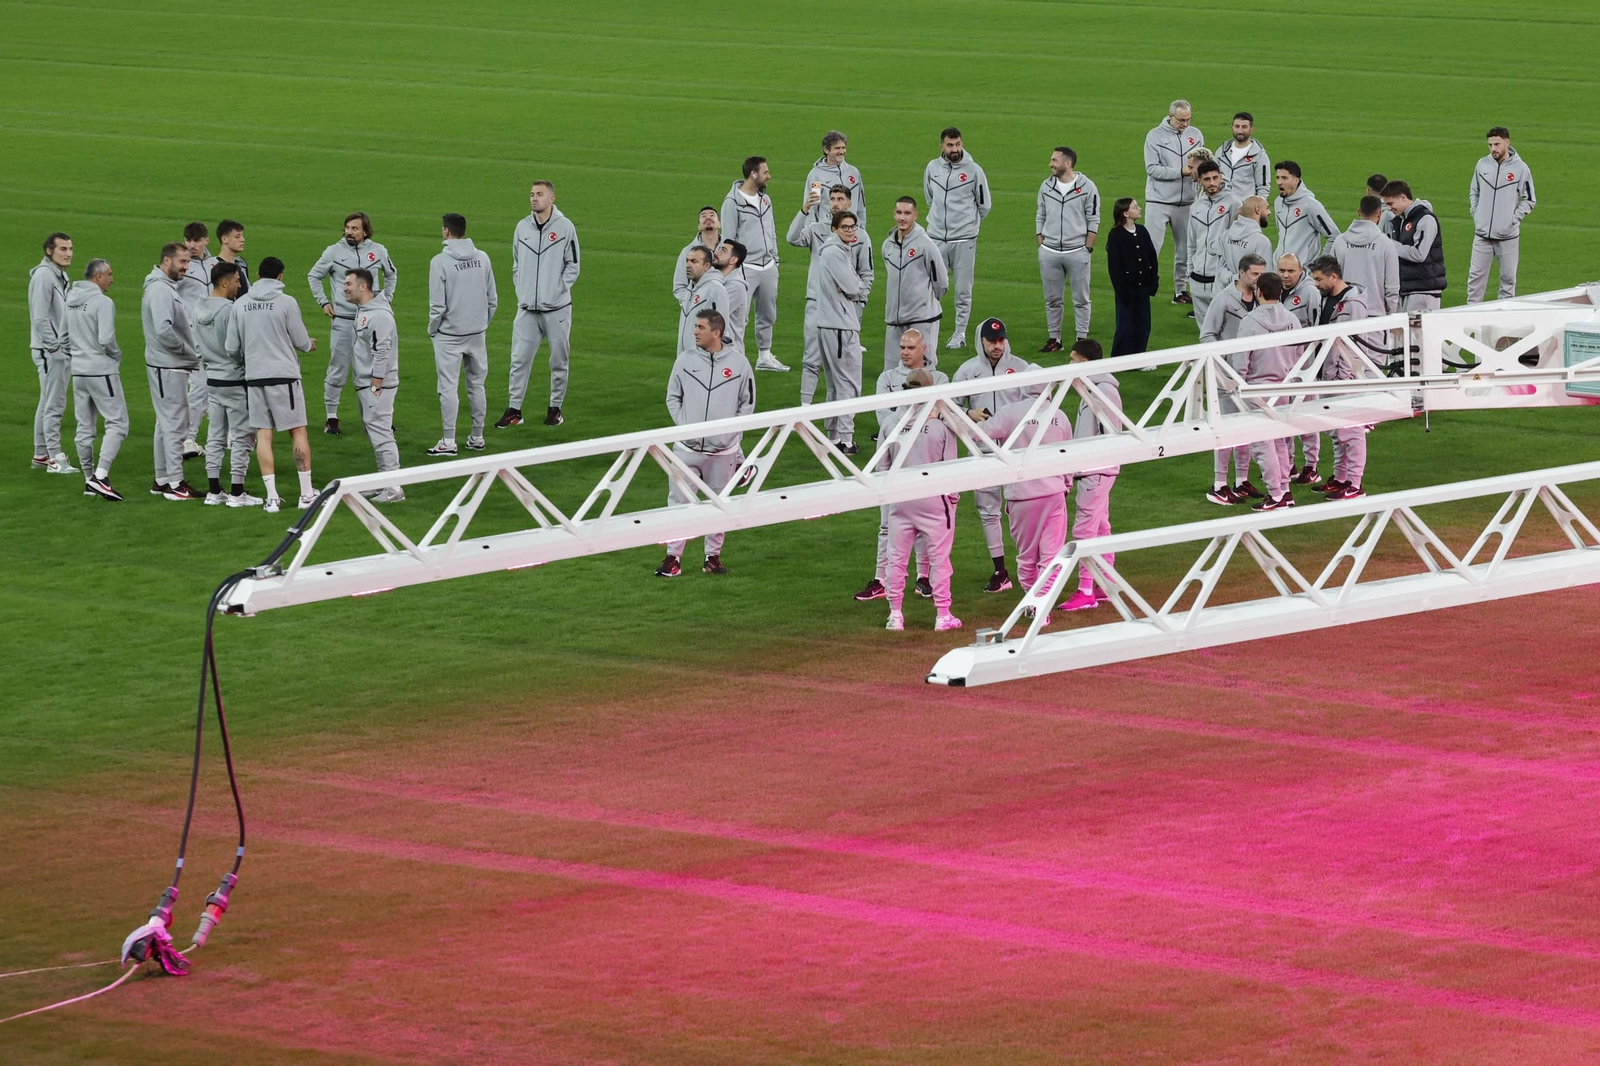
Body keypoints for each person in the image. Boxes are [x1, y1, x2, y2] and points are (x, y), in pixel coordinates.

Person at [657, 309, 756, 577]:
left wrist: (729, 435)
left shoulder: (739, 364)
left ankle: (712, 557)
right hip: (686, 449)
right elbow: (672, 397)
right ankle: (672, 558)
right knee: (678, 504)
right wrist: (686, 427)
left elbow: (747, 405)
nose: (695, 332)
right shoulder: (685, 360)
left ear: (717, 332)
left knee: (718, 504)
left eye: (700, 327)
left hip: (722, 452)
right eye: (695, 327)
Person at [855, 328, 948, 602]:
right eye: (903, 348)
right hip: (896, 458)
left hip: (926, 458)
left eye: (911, 347)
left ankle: (923, 577)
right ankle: (880, 578)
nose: (905, 352)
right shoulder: (887, 378)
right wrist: (913, 419)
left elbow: (943, 415)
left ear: (924, 349)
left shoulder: (940, 378)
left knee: (924, 525)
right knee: (887, 524)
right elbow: (884, 418)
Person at [227, 256, 318, 515]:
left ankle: (272, 499)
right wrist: (309, 344)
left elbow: (231, 348)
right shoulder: (286, 302)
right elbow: (301, 341)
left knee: (263, 436)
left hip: (254, 378)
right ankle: (306, 494)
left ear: (256, 274)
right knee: (297, 432)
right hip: (284, 377)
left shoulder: (241, 304)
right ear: (280, 276)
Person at [953, 316, 1034, 592]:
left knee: (1021, 508)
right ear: (981, 340)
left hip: (1017, 450)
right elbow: (948, 408)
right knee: (988, 511)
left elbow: (1037, 404)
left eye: (1001, 340)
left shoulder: (1021, 367)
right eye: (992, 341)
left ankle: (1030, 564)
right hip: (982, 451)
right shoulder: (966, 371)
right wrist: (967, 413)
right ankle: (1000, 571)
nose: (997, 346)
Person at [974, 384, 1073, 600]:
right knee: (1052, 556)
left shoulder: (1010, 412)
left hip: (1022, 498)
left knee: (1027, 557)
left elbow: (977, 436)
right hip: (1054, 495)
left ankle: (1033, 602)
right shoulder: (1060, 415)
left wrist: (969, 416)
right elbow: (1069, 455)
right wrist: (1066, 484)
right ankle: (1042, 604)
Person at [882, 369, 962, 633]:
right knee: (940, 559)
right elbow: (951, 467)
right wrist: (953, 500)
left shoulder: (890, 423)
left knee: (896, 560)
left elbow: (882, 467)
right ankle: (942, 614)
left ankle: (895, 615)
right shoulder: (941, 425)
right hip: (933, 500)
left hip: (901, 500)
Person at [308, 212, 397, 435]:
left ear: (365, 231)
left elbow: (391, 274)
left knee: (373, 368)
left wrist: (386, 299)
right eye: (347, 228)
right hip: (344, 320)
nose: (349, 232)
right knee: (338, 369)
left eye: (355, 228)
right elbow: (313, 276)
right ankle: (331, 417)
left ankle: (377, 415)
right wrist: (323, 302)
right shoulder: (333, 252)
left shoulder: (378, 251)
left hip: (371, 321)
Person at [501, 180, 579, 428]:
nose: (534, 199)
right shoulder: (521, 227)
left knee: (558, 361)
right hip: (526, 310)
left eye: (540, 194)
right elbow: (515, 263)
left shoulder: (565, 228)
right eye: (532, 194)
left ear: (552, 199)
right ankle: (514, 411)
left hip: (556, 309)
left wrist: (557, 291)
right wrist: (521, 289)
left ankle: (555, 409)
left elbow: (573, 265)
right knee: (518, 361)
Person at [1058, 337, 1122, 611]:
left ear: (1084, 362)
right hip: (1096, 471)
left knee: (1084, 531)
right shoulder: (1095, 387)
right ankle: (1106, 583)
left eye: (1072, 360)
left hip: (1096, 472)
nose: (1069, 365)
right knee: (1100, 528)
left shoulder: (1103, 390)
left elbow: (1111, 433)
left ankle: (1085, 590)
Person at [426, 213, 497, 457]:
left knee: (448, 387)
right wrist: (480, 323)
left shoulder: (440, 262)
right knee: (477, 385)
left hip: (449, 335)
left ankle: (448, 440)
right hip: (477, 333)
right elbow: (492, 300)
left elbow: (437, 306)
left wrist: (433, 329)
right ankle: (477, 437)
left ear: (446, 231)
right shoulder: (483, 258)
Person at [1308, 255, 1378, 500]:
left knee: (1352, 432)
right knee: (1336, 431)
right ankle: (1340, 478)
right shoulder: (1328, 299)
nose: (1315, 284)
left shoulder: (1353, 304)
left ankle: (1355, 484)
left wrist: (1343, 376)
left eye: (1319, 279)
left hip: (1343, 377)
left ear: (1334, 277)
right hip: (1328, 374)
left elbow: (1353, 343)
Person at [1200, 253, 1267, 505]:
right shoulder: (1224, 300)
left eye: (1261, 274)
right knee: (1225, 430)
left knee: (1245, 428)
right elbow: (1206, 335)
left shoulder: (1261, 300)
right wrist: (1227, 360)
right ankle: (1219, 485)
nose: (1258, 279)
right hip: (1225, 376)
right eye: (1254, 274)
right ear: (1241, 273)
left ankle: (1241, 481)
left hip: (1251, 374)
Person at [192, 262, 260, 506]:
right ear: (224, 282)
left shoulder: (197, 307)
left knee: (215, 436)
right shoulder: (231, 310)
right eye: (236, 281)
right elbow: (237, 347)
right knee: (243, 436)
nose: (239, 285)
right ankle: (237, 492)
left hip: (212, 380)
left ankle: (213, 491)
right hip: (234, 379)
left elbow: (196, 347)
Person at [788, 183, 863, 403]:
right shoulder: (817, 229)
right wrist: (804, 211)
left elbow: (865, 271)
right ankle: (804, 409)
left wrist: (860, 299)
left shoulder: (858, 235)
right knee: (811, 358)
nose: (836, 203)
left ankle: (839, 417)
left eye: (841, 199)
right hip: (816, 301)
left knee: (841, 366)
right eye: (833, 199)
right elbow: (792, 238)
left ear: (849, 203)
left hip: (845, 306)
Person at [1237, 272, 1304, 511]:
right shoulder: (1293, 320)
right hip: (1284, 387)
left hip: (1258, 390)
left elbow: (1240, 361)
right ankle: (1285, 491)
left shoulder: (1250, 322)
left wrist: (1239, 387)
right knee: (1281, 443)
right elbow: (1300, 355)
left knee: (1262, 445)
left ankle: (1275, 496)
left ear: (1259, 292)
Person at [65, 258, 128, 501]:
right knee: (118, 424)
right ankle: (100, 477)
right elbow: (106, 339)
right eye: (109, 274)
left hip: (78, 372)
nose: (112, 279)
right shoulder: (103, 302)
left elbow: (62, 336)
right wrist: (115, 355)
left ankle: (88, 480)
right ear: (98, 277)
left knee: (84, 427)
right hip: (101, 371)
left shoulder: (70, 300)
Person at [142, 242, 201, 501]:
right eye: (182, 262)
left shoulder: (163, 287)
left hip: (166, 365)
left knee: (165, 423)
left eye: (187, 263)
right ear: (167, 261)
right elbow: (163, 330)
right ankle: (176, 483)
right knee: (175, 424)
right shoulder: (160, 290)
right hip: (168, 366)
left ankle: (162, 479)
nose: (186, 268)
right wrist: (188, 353)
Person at [924, 127, 992, 349]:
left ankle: (959, 334)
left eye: (958, 144)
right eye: (950, 145)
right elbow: (929, 197)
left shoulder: (974, 171)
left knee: (963, 290)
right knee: (933, 286)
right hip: (935, 237)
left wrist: (968, 226)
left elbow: (984, 205)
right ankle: (927, 329)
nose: (955, 149)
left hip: (964, 240)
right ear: (941, 146)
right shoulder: (932, 168)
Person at [721, 157, 787, 372]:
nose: (769, 176)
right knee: (739, 316)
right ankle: (734, 358)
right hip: (745, 268)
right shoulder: (731, 203)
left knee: (768, 313)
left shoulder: (765, 200)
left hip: (767, 266)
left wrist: (774, 259)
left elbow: (772, 230)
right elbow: (728, 240)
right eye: (766, 172)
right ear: (754, 174)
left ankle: (764, 357)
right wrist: (734, 269)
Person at [814, 210, 872, 452]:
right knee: (849, 384)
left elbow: (848, 286)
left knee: (835, 384)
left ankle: (834, 436)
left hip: (830, 324)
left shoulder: (836, 250)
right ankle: (846, 440)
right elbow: (853, 287)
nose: (850, 230)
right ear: (834, 229)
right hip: (840, 325)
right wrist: (856, 286)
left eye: (853, 226)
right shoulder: (835, 253)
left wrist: (850, 286)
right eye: (845, 227)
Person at [1035, 146, 1100, 352]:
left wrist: (1087, 247)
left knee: (1081, 299)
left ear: (1067, 163)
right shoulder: (1046, 186)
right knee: (1052, 299)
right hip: (1050, 251)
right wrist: (1041, 241)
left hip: (1077, 251)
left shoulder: (1088, 187)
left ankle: (1082, 339)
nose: (1050, 164)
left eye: (1054, 160)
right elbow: (1040, 214)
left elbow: (1093, 217)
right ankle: (1055, 339)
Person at [347, 269, 403, 501]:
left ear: (363, 286)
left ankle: (394, 488)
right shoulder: (365, 311)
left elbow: (382, 351)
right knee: (376, 433)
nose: (344, 287)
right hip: (367, 383)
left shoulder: (379, 316)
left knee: (382, 433)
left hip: (377, 385)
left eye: (348, 283)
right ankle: (384, 481)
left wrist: (376, 384)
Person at [1143, 100, 1206, 307]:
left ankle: (1180, 291)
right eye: (1181, 120)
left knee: (1185, 250)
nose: (1185, 124)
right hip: (1158, 201)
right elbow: (1152, 168)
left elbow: (1201, 162)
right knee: (1151, 249)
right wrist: (1180, 172)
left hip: (1187, 201)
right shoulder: (1154, 136)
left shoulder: (1195, 135)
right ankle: (1143, 288)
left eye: (1188, 119)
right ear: (1170, 116)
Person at [1468, 127, 1536, 303]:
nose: (1493, 149)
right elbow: (1474, 192)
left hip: (1508, 237)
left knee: (1508, 281)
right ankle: (1470, 321)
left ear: (1507, 142)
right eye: (1490, 145)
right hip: (1482, 235)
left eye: (1497, 144)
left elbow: (1529, 199)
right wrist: (1477, 215)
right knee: (1475, 281)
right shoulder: (1482, 164)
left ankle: (1503, 322)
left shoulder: (1521, 169)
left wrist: (1512, 220)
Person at [880, 196, 948, 370]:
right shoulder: (887, 245)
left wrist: (925, 304)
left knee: (924, 371)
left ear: (915, 215)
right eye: (899, 213)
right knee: (891, 371)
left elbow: (941, 281)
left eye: (907, 213)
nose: (902, 217)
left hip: (922, 319)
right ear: (894, 214)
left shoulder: (926, 245)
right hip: (894, 321)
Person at [29, 232, 74, 474]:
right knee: (53, 404)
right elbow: (40, 317)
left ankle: (41, 454)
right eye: (63, 249)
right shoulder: (45, 276)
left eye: (70, 249)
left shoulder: (59, 275)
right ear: (49, 251)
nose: (68, 254)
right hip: (50, 351)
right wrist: (55, 347)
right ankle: (54, 458)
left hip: (55, 349)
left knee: (48, 401)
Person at [1276, 253, 1323, 484]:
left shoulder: (1310, 293)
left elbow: (1316, 330)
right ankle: (1289, 463)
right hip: (1281, 365)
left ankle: (1311, 466)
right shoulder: (1273, 290)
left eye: (1290, 271)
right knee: (1284, 415)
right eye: (1282, 270)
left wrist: (1311, 363)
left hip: (1304, 366)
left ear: (1300, 270)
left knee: (1306, 415)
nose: (1285, 275)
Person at [1185, 159, 1239, 326]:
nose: (1212, 183)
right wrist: (1190, 271)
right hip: (1197, 278)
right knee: (1204, 331)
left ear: (1221, 177)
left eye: (1215, 178)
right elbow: (1191, 242)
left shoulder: (1233, 203)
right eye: (1207, 179)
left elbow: (1236, 241)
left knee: (1224, 328)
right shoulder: (1196, 207)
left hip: (1220, 277)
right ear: (1199, 180)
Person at [1105, 197, 1159, 356]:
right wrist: (1121, 290)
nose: (1139, 208)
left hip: (1143, 286)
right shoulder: (1116, 235)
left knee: (1143, 324)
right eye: (1135, 207)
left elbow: (1151, 256)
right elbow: (1115, 266)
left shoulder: (1142, 230)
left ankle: (1139, 355)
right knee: (1125, 324)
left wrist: (1153, 280)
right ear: (1126, 213)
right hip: (1127, 288)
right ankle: (1119, 357)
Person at [1381, 180, 1446, 312]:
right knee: (1404, 332)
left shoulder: (1425, 219)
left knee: (1420, 333)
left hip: (1424, 291)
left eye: (1391, 203)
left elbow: (1419, 254)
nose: (1389, 208)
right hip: (1408, 288)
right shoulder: (1401, 220)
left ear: (1403, 198)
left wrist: (1390, 245)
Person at [1330, 196, 1400, 314]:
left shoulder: (1340, 241)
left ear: (1359, 211)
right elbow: (1392, 287)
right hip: (1374, 316)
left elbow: (1330, 278)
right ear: (1379, 214)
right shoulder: (1386, 244)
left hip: (1344, 314)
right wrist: (1390, 315)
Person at [177, 221, 212, 457]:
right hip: (192, 337)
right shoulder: (181, 267)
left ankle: (221, 435)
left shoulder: (215, 263)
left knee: (216, 386)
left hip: (216, 337)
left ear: (206, 241)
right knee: (199, 386)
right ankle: (186, 439)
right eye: (188, 240)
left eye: (197, 240)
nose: (192, 245)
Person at [1272, 162, 1337, 267]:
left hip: (1303, 274)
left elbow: (1334, 237)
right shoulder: (1278, 202)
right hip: (1279, 271)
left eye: (1284, 178)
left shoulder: (1310, 205)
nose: (1279, 182)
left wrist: (1317, 266)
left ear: (1295, 181)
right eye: (1277, 177)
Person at [802, 130, 865, 229]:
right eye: (837, 148)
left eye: (843, 148)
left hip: (851, 231)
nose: (841, 151)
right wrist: (813, 234)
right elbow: (812, 208)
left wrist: (861, 229)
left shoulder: (854, 173)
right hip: (827, 233)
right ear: (826, 150)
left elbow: (861, 206)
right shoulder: (816, 177)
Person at [676, 246, 730, 354]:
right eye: (687, 261)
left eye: (694, 261)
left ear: (706, 266)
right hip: (685, 358)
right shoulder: (690, 288)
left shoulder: (715, 290)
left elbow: (721, 330)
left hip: (704, 360)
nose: (688, 265)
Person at [672, 206, 721, 312]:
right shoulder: (687, 252)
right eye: (704, 216)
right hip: (697, 311)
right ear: (699, 226)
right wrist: (690, 305)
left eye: (712, 215)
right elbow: (679, 285)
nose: (708, 218)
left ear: (719, 224)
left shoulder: (728, 250)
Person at [1216, 196, 1273, 286]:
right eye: (1267, 208)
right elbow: (1264, 279)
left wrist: (1233, 279)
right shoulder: (1261, 242)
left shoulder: (1225, 236)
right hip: (1249, 296)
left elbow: (1221, 271)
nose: (1269, 212)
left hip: (1228, 292)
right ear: (1257, 210)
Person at [1217, 112, 1271, 200]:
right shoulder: (1222, 152)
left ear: (1251, 129)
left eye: (1244, 127)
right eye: (1237, 126)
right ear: (1232, 128)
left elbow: (1263, 188)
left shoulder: (1259, 156)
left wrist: (1256, 208)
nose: (1240, 131)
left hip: (1245, 209)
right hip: (1221, 208)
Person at [714, 239, 750, 353]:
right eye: (718, 249)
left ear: (733, 260)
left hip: (730, 352)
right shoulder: (719, 280)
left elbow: (712, 312)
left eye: (723, 251)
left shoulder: (736, 286)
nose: (716, 253)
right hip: (718, 348)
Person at [204, 220, 250, 297]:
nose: (242, 240)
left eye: (242, 236)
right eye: (237, 237)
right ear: (224, 239)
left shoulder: (241, 265)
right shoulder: (214, 267)